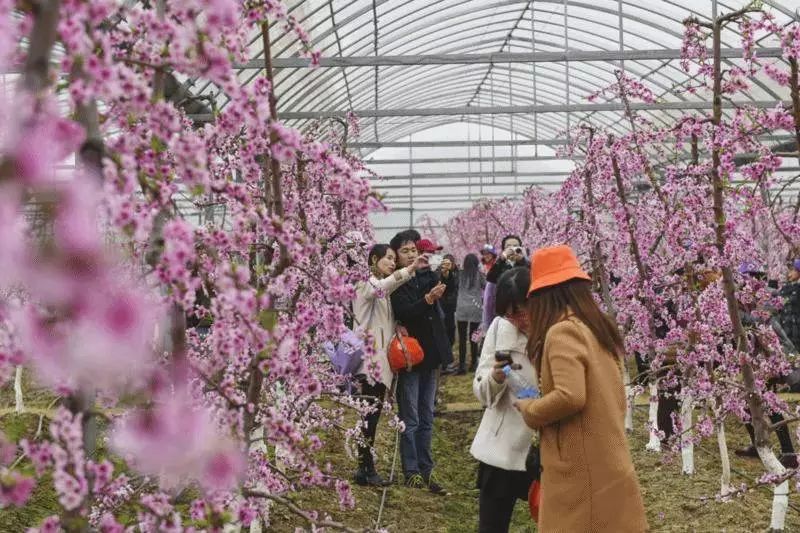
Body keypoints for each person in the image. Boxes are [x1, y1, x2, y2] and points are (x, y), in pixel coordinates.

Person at [515, 245, 648, 532]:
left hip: (580, 470)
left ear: (544, 295)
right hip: (606, 459)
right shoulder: (597, 327)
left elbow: (569, 395)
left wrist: (530, 410)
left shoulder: (564, 330)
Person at [351, 244, 425, 486]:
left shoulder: (379, 288)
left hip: (379, 361)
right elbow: (381, 288)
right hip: (369, 363)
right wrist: (407, 271)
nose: (393, 263)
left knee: (372, 414)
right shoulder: (366, 284)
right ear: (374, 259)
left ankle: (365, 467)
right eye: (389, 258)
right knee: (368, 416)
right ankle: (365, 468)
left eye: (395, 259)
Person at [470, 267, 536, 533]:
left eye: (520, 312)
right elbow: (482, 392)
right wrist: (495, 378)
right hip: (503, 443)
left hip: (545, 445)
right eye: (509, 315)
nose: (517, 320)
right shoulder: (500, 328)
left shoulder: (557, 330)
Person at [389, 230, 450, 495]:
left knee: (427, 414)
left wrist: (440, 273)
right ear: (396, 257)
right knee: (410, 416)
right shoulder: (395, 283)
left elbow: (441, 289)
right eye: (405, 251)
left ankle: (427, 468)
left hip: (432, 353)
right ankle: (411, 470)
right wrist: (426, 300)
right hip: (410, 357)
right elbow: (404, 312)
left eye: (414, 249)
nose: (412, 254)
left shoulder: (426, 276)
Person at [482, 236, 529, 332]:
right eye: (508, 246)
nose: (512, 248)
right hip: (504, 312)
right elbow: (490, 278)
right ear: (503, 249)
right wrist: (501, 259)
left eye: (515, 246)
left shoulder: (525, 263)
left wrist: (522, 260)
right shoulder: (501, 265)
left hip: (524, 311)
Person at [455, 254, 485, 374]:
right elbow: (487, 286)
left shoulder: (460, 274)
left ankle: (462, 366)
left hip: (462, 307)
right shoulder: (480, 275)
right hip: (475, 308)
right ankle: (473, 363)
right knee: (474, 337)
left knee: (462, 338)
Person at [438, 254, 459, 372]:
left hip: (451, 307)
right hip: (441, 306)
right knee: (443, 333)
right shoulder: (438, 272)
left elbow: (455, 286)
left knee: (451, 333)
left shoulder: (457, 273)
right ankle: (444, 363)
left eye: (450, 262)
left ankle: (447, 361)